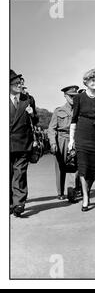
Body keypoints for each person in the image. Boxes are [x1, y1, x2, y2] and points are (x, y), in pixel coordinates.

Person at [69, 68, 95, 212]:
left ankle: (87, 189)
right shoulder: (79, 98)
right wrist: (71, 139)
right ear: (86, 82)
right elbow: (73, 119)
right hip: (82, 134)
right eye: (92, 81)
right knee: (83, 167)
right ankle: (85, 196)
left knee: (93, 168)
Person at [10, 70, 38, 217]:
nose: (20, 84)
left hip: (23, 143)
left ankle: (19, 203)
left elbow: (36, 121)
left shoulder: (28, 99)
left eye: (21, 82)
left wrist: (32, 113)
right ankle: (9, 203)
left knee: (20, 173)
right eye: (16, 83)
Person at [48, 85, 81, 202]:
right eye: (71, 96)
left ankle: (72, 191)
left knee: (75, 166)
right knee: (60, 167)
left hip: (75, 139)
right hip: (61, 140)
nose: (73, 98)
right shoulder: (59, 111)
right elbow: (51, 129)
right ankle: (60, 192)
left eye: (75, 96)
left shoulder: (80, 109)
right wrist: (53, 143)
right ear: (65, 96)